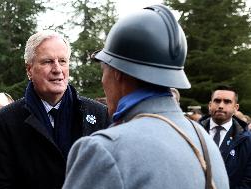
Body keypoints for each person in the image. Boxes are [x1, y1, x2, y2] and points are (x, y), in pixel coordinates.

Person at [63, 5, 229, 189]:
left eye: (104, 69)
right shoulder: (205, 143)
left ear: (117, 73)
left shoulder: (105, 151)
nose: (103, 80)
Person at [0, 30, 111, 189]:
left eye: (63, 61)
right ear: (29, 69)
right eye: (48, 61)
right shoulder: (6, 121)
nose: (57, 69)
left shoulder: (99, 114)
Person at [199, 85, 251, 189]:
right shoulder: (194, 132)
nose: (221, 105)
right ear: (210, 105)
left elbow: (248, 179)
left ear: (236, 107)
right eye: (217, 101)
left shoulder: (246, 140)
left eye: (227, 102)